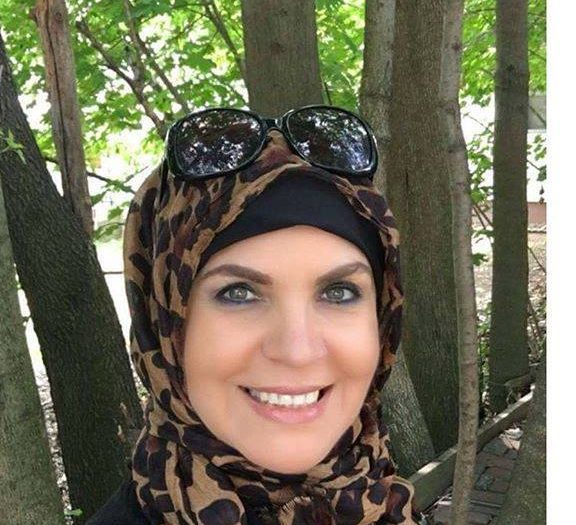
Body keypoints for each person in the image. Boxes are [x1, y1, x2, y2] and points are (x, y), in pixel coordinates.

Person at [86, 106, 417, 525]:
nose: (297, 350)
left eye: (339, 292)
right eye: (238, 293)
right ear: (164, 327)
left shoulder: (382, 498)